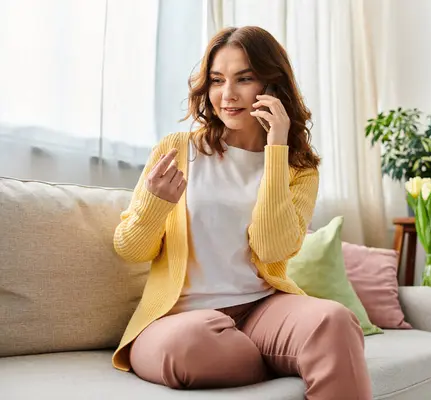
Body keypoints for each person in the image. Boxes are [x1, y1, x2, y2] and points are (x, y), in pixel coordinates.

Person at [111, 26, 372, 399]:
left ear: (272, 85)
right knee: (187, 346)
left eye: (244, 79)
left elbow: (272, 249)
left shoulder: (299, 169)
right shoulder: (177, 150)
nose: (228, 95)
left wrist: (276, 148)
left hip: (263, 309)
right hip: (180, 319)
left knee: (334, 320)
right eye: (217, 80)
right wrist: (156, 205)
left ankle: (276, 354)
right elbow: (129, 249)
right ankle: (278, 360)